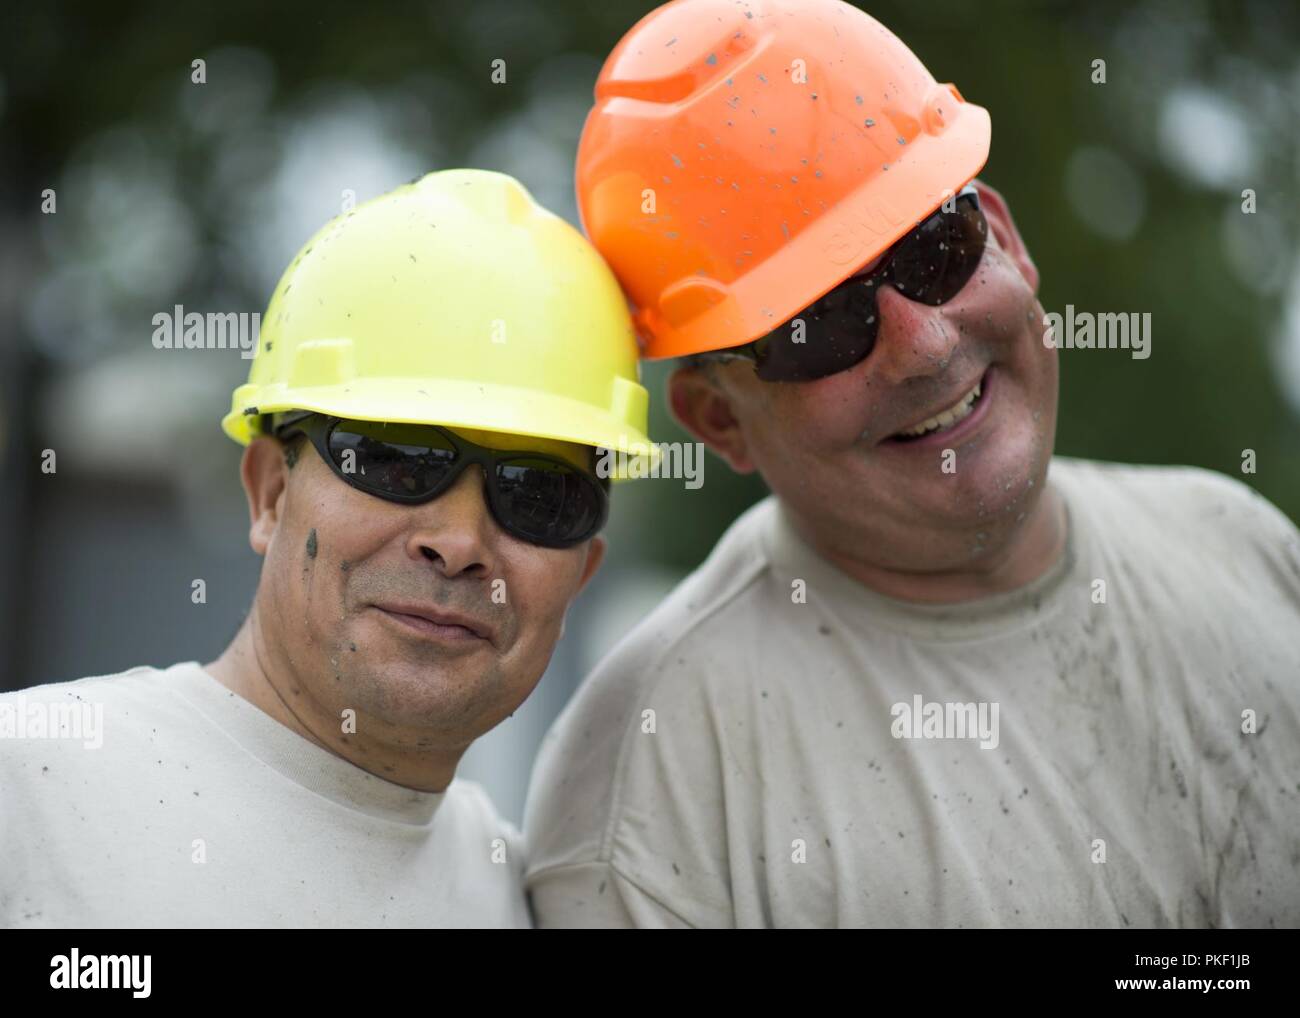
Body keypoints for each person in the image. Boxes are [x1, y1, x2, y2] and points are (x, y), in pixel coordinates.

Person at [523, 0, 1300, 927]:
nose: (923, 344)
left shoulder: (1244, 544)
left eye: (938, 246)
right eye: (821, 325)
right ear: (718, 421)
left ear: (1005, 239)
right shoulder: (660, 793)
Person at [0, 169, 654, 928]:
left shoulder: (521, 895)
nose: (458, 542)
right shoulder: (28, 794)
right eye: (395, 459)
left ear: (579, 580)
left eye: (537, 494)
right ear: (269, 492)